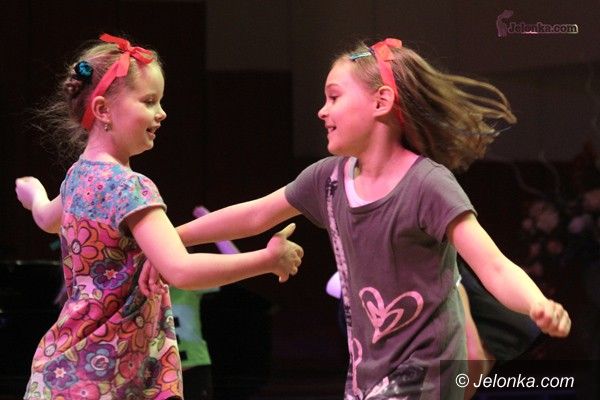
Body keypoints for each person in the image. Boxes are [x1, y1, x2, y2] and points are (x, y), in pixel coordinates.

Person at [146, 38, 571, 399]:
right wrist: (168, 237)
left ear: (381, 102)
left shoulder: (428, 185)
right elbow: (256, 214)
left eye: (334, 97)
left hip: (427, 374)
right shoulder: (328, 179)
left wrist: (537, 304)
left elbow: (493, 264)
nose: (321, 111)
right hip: (367, 376)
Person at [14, 33, 303, 400]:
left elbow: (46, 218)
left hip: (64, 370)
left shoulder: (77, 177)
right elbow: (181, 269)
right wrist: (267, 259)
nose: (162, 112)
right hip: (115, 376)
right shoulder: (129, 187)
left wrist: (34, 194)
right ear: (102, 110)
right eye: (149, 101)